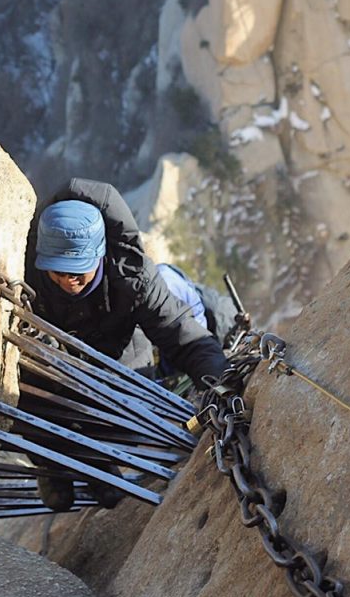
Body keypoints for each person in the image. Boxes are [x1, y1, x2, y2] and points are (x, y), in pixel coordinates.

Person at [24, 178, 232, 509]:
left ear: (101, 253)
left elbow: (181, 332)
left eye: (79, 269)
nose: (68, 280)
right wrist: (49, 450)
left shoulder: (134, 275)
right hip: (53, 360)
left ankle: (100, 451)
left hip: (116, 353)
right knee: (24, 387)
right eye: (59, 271)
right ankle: (56, 462)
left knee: (126, 418)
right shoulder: (28, 276)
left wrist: (220, 383)